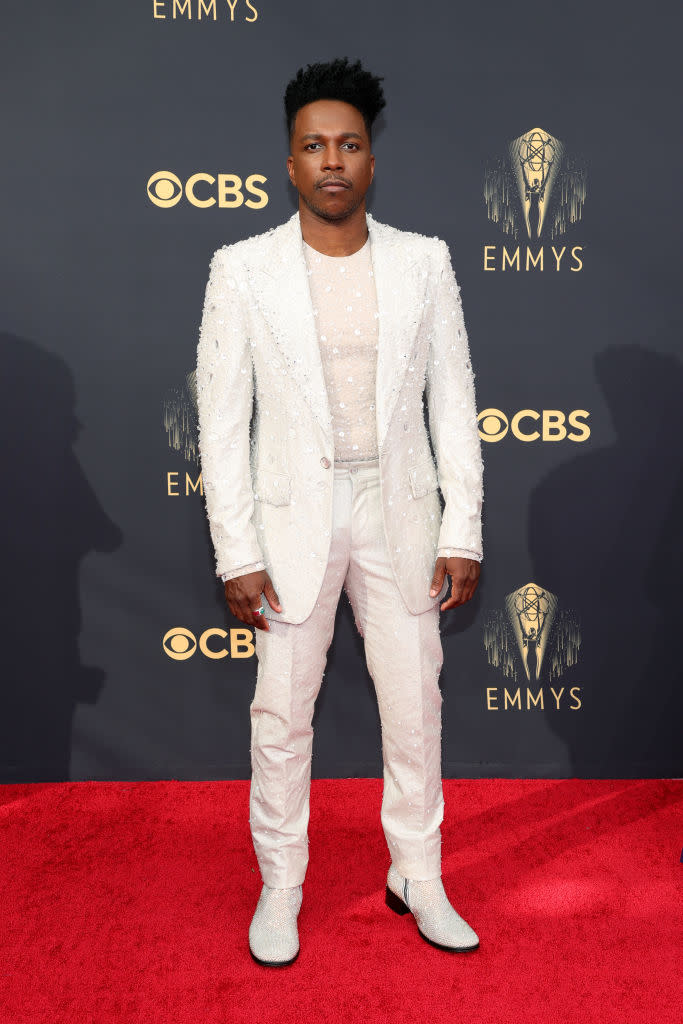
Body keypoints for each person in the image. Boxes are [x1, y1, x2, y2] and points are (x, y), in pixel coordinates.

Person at [195, 57, 484, 966]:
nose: (331, 161)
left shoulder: (423, 262)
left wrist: (460, 528)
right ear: (287, 163)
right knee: (281, 716)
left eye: (348, 144)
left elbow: (454, 406)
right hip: (291, 522)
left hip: (396, 508)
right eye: (313, 146)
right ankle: (281, 885)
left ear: (370, 159)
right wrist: (234, 549)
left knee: (416, 708)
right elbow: (219, 421)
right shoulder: (240, 271)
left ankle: (419, 874)